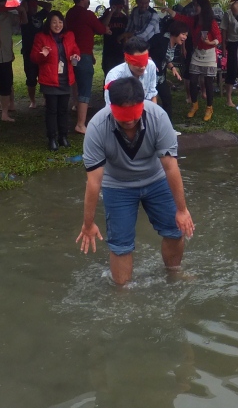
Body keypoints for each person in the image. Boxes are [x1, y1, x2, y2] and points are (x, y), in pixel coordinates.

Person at [77, 76, 195, 286]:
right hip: (118, 185)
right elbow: (94, 182)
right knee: (120, 245)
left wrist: (182, 209)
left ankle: (174, 274)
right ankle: (122, 294)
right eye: (123, 115)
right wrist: (88, 223)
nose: (130, 121)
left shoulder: (157, 117)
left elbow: (170, 167)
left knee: (175, 230)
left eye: (133, 114)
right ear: (112, 107)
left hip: (156, 179)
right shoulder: (97, 127)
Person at [64, 0, 112, 134]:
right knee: (85, 88)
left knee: (75, 81)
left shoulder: (70, 13)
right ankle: (80, 124)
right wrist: (108, 26)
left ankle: (75, 104)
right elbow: (100, 28)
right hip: (83, 54)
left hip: (70, 54)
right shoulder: (87, 14)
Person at [30, 10, 80, 151]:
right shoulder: (41, 37)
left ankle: (63, 136)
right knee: (52, 110)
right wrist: (43, 55)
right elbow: (34, 58)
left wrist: (76, 55)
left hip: (65, 78)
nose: (57, 25)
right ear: (49, 23)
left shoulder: (69, 35)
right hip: (49, 79)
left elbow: (75, 49)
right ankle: (52, 138)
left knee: (63, 110)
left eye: (60, 22)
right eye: (54, 22)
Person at [174, 0, 221, 121]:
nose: (195, 8)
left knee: (208, 82)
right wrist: (169, 10)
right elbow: (181, 18)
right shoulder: (193, 20)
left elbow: (218, 37)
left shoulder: (211, 22)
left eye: (197, 6)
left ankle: (209, 107)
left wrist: (210, 42)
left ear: (203, 8)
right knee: (193, 80)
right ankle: (194, 105)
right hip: (197, 53)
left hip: (209, 54)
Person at [148, 19, 190, 116]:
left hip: (160, 77)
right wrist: (147, 59)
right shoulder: (160, 38)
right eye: (183, 34)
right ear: (176, 32)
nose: (185, 37)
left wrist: (172, 68)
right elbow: (143, 48)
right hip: (149, 76)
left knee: (167, 99)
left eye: (186, 35)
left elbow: (165, 58)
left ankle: (168, 128)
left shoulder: (175, 44)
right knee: (150, 101)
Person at [104, 35, 159, 104]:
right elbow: (111, 106)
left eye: (145, 62)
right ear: (126, 60)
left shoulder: (151, 66)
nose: (143, 67)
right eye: (138, 63)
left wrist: (153, 113)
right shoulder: (114, 76)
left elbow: (152, 93)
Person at [19, 0, 51, 108]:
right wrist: (24, 7)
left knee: (44, 75)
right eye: (31, 6)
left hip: (41, 51)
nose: (34, 8)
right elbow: (24, 19)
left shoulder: (39, 16)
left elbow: (48, 6)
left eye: (34, 6)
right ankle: (32, 101)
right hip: (29, 51)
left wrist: (36, 2)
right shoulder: (23, 16)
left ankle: (45, 99)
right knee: (31, 78)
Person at [221, 0, 238, 108]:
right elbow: (224, 30)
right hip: (233, 43)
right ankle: (228, 99)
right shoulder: (228, 13)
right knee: (232, 70)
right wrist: (224, 47)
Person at [101, 0, 129, 75]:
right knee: (109, 73)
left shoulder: (124, 18)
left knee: (122, 74)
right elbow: (103, 26)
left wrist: (127, 12)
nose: (118, 9)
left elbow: (131, 25)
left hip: (121, 50)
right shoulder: (106, 16)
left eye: (120, 7)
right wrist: (111, 12)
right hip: (109, 50)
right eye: (116, 7)